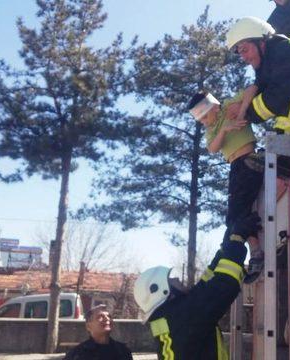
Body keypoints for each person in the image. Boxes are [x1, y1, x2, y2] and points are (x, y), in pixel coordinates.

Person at [133, 214, 261, 360]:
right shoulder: (183, 317)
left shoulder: (171, 318)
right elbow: (224, 284)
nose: (176, 278)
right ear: (164, 290)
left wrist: (227, 245)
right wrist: (238, 238)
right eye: (170, 279)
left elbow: (207, 284)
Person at [187, 90, 264, 283]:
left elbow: (253, 88)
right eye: (200, 120)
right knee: (239, 214)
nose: (204, 122)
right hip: (236, 167)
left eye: (204, 116)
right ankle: (255, 252)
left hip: (247, 160)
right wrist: (225, 129)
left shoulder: (229, 105)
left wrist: (242, 110)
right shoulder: (212, 129)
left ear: (214, 106)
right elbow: (212, 148)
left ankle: (255, 255)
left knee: (235, 216)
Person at [63, 304, 133, 360]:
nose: (107, 319)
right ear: (88, 326)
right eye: (100, 316)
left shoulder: (123, 351)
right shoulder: (77, 354)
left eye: (109, 316)